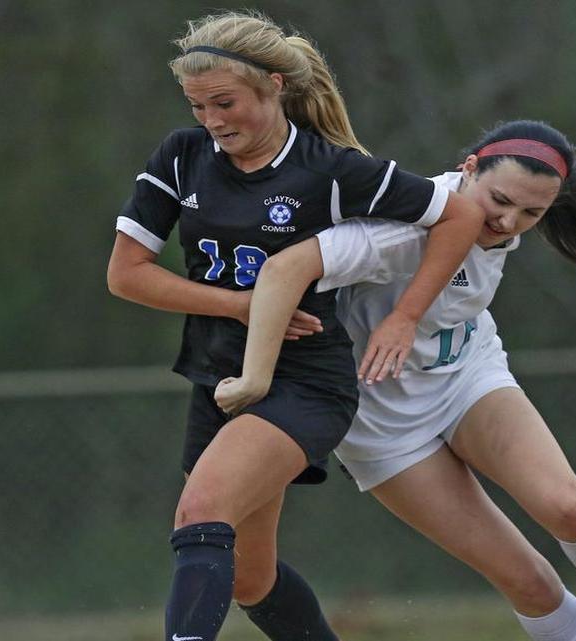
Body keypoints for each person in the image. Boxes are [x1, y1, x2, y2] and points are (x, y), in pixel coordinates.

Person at [216, 119, 576, 641]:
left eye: (531, 212)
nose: (509, 220)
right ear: (468, 168)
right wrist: (255, 370)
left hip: (466, 377)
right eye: (499, 200)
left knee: (568, 507)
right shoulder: (404, 223)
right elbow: (285, 268)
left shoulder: (504, 222)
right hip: (379, 423)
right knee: (530, 583)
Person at [105, 10, 484, 641]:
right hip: (217, 374)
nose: (213, 121)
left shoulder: (329, 169)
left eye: (225, 103)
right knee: (250, 578)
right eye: (198, 106)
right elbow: (127, 275)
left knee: (199, 513)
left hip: (304, 379)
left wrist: (405, 316)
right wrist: (246, 307)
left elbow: (459, 217)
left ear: (275, 85)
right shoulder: (182, 156)